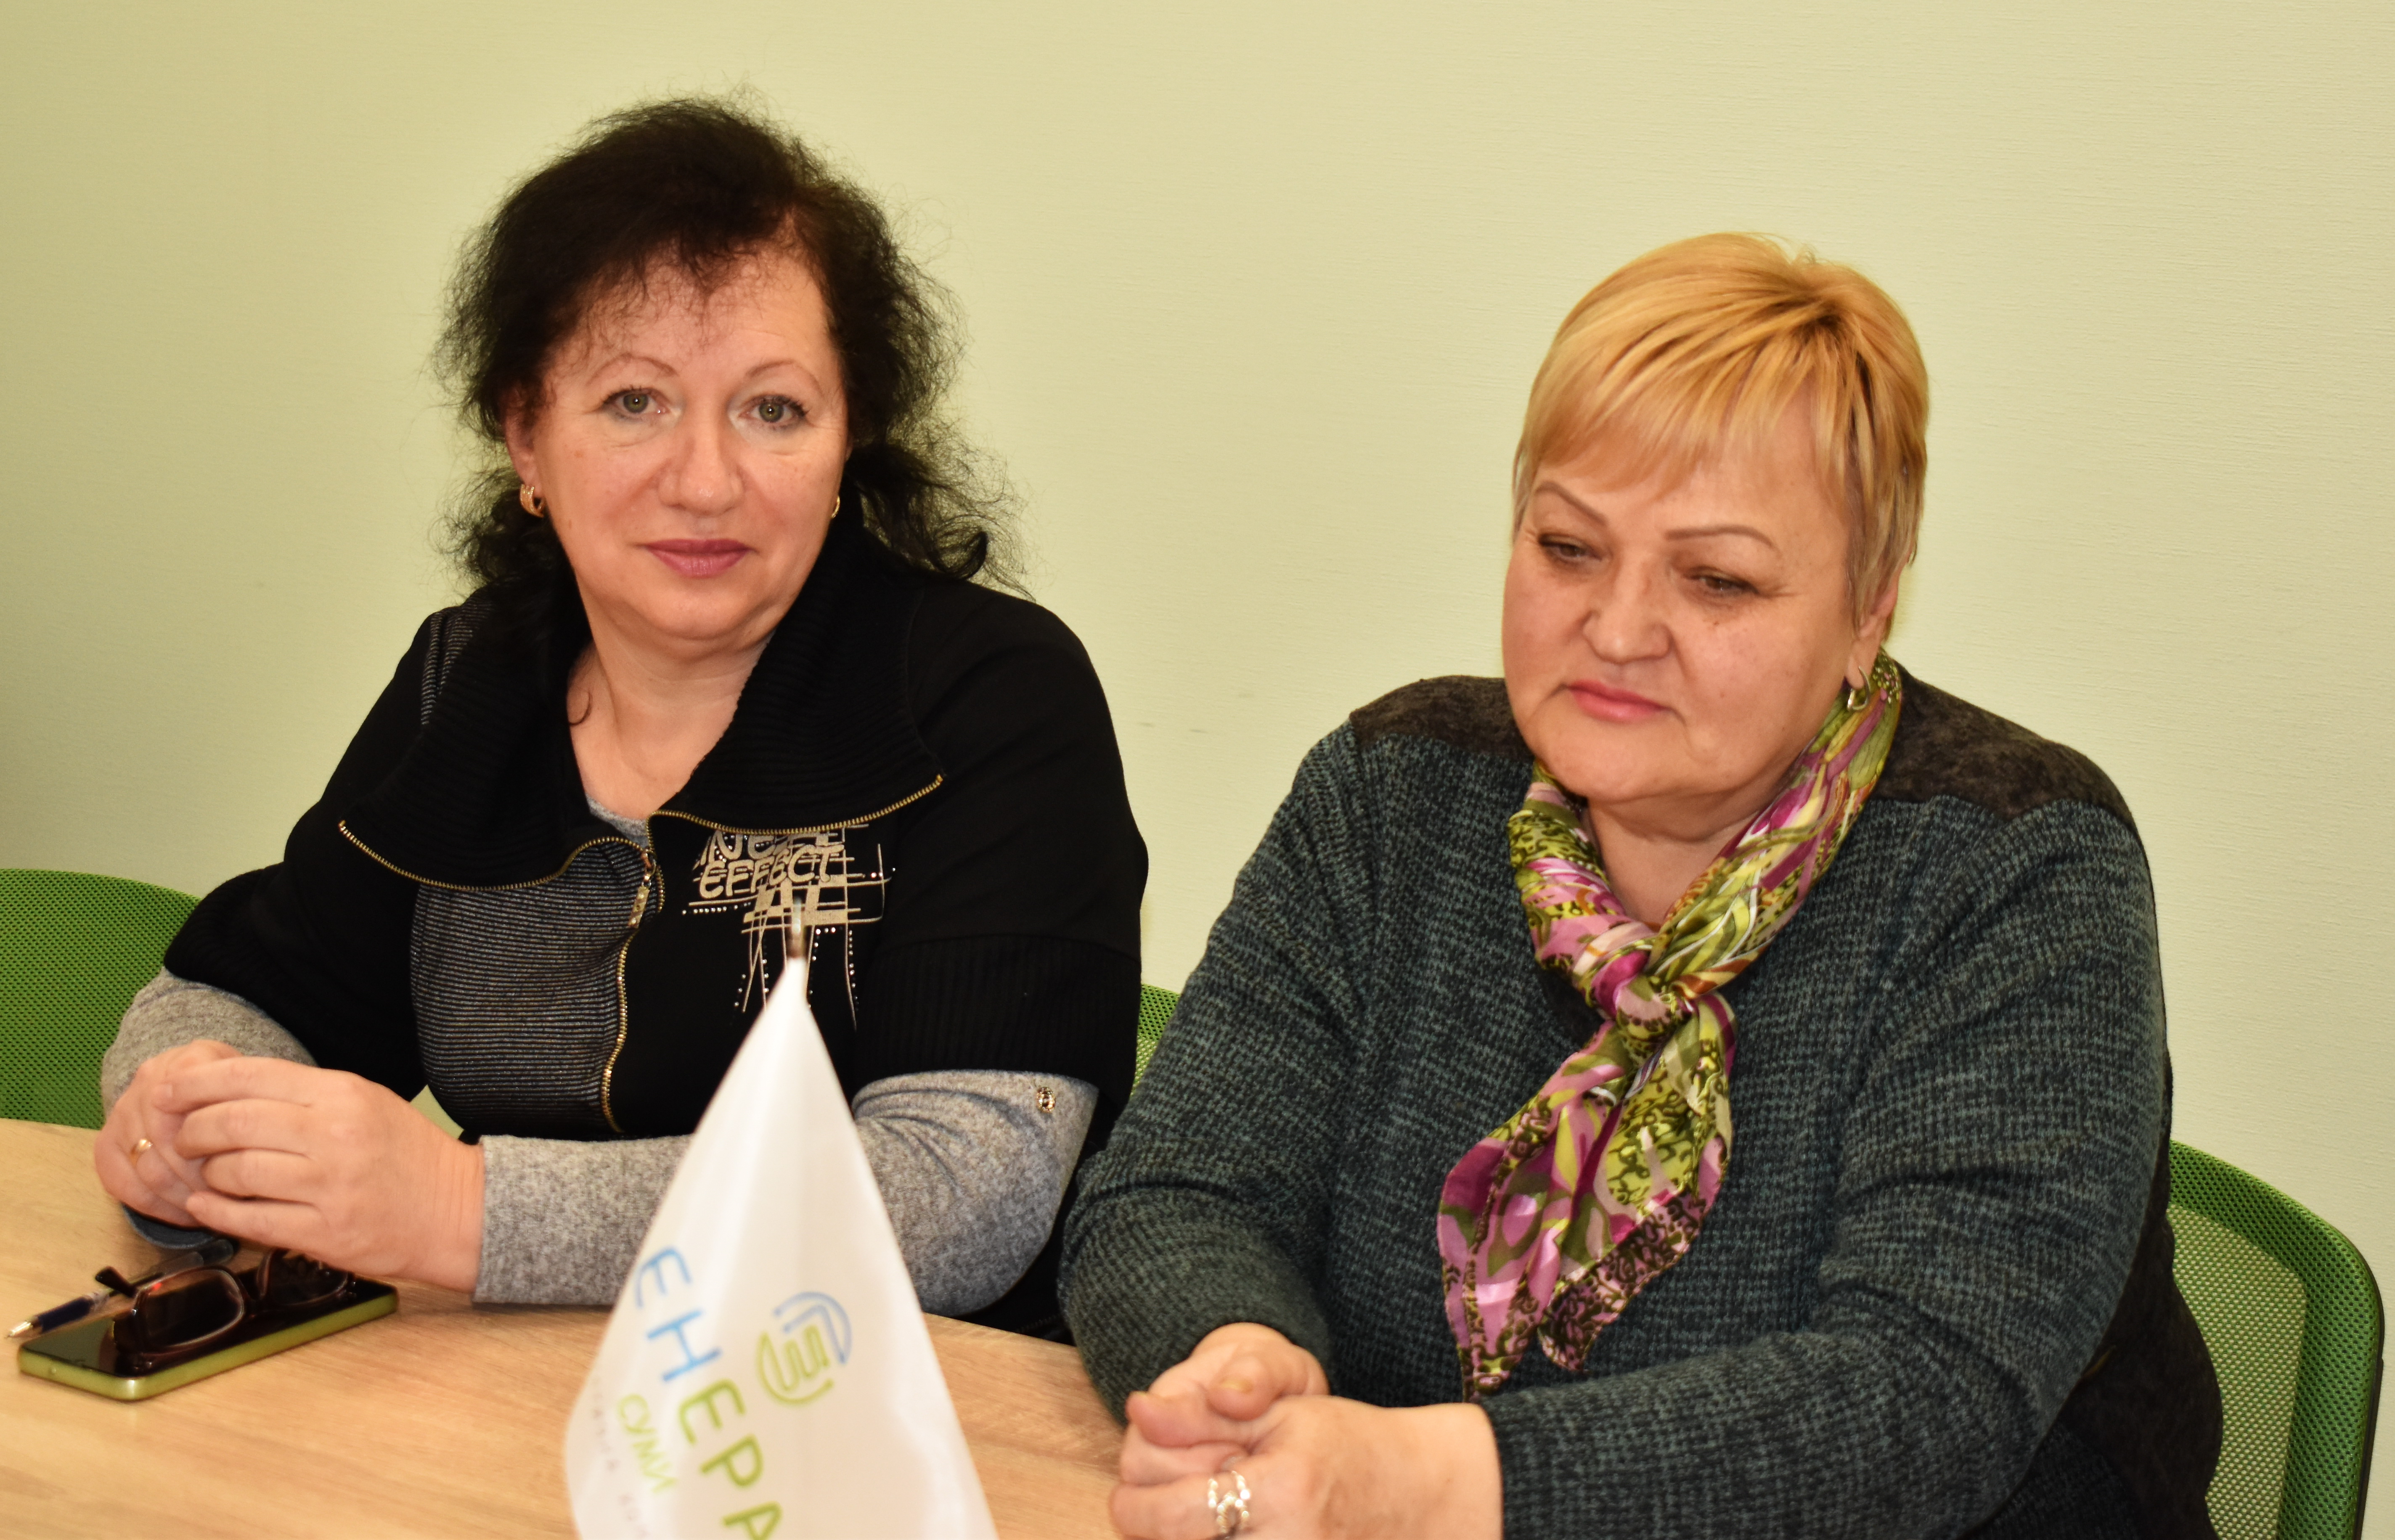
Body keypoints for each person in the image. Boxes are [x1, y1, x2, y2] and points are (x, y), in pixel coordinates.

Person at [1061, 234, 2220, 1536]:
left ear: (1869, 611)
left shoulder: (2018, 867)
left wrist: (1424, 1483)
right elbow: (1177, 1195)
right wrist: (1238, 1366)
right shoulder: (1393, 795)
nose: (1615, 630)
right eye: (1568, 547)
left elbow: (1922, 1398)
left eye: (1717, 579)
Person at [94, 98, 1145, 1334]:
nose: (705, 481)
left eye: (773, 409)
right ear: (525, 436)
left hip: (883, 1410)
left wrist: (463, 1208)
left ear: (848, 440)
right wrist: (184, 1107)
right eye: (635, 402)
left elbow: (964, 1197)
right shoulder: (473, 677)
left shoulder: (992, 694)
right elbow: (249, 994)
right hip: (512, 1388)